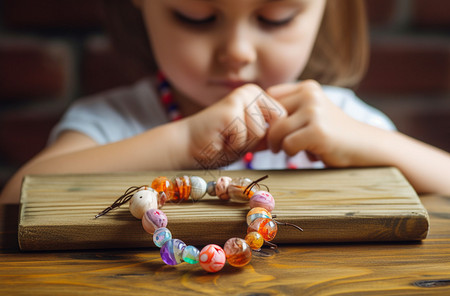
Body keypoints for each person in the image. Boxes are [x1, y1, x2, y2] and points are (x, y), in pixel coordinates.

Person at [1, 0, 449, 204]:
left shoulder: (340, 120)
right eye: (197, 17)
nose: (237, 51)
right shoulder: (113, 122)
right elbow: (16, 198)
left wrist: (371, 143)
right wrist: (183, 144)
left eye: (276, 19)